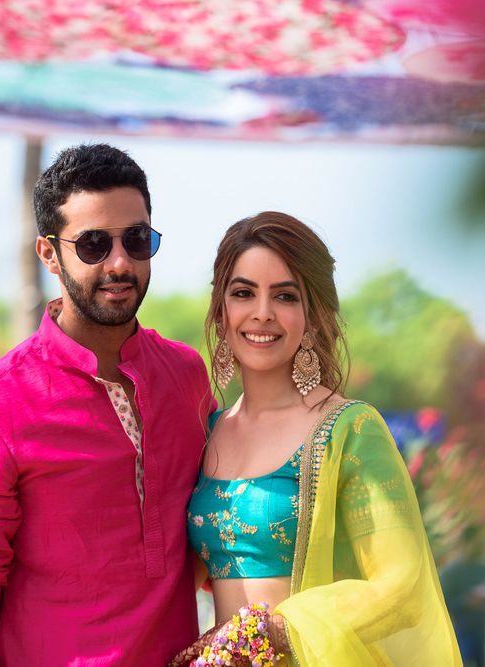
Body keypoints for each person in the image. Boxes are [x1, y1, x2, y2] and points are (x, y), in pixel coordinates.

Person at [0, 143, 214, 666]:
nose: (120, 263)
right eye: (92, 245)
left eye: (136, 239)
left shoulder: (186, 378)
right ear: (48, 254)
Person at [171, 212, 462, 666]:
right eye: (243, 292)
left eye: (284, 295)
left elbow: (402, 587)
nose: (262, 312)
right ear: (221, 311)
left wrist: (268, 632)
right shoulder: (207, 432)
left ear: (313, 315)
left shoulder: (350, 430)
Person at [440, 525, 485, 667]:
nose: (481, 546)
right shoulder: (452, 572)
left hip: (480, 630)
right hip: (461, 631)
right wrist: (467, 601)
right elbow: (444, 604)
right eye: (477, 542)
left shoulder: (482, 569)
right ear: (466, 543)